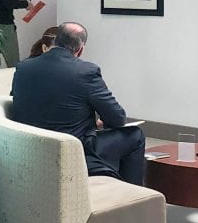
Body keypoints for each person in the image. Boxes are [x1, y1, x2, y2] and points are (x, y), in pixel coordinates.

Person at [10, 22, 146, 185]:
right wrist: (102, 124)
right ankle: (130, 194)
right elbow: (117, 118)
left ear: (56, 40)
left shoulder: (23, 67)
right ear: (80, 49)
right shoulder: (86, 72)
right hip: (72, 149)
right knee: (135, 135)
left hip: (29, 148)